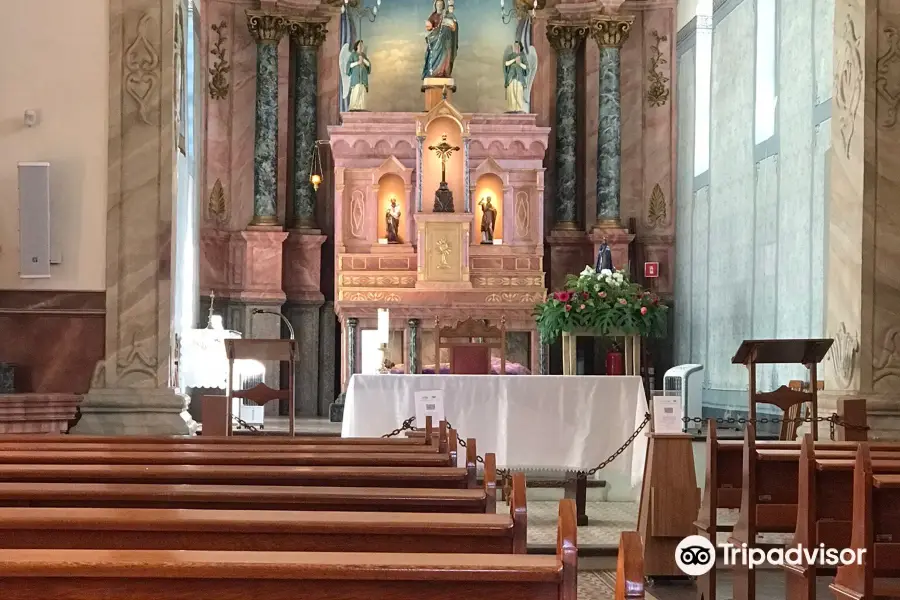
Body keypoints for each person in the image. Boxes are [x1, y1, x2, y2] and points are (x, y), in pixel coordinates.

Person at [422, 0, 458, 79]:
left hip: (445, 39)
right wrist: (429, 25)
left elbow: (453, 26)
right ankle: (435, 71)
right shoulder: (433, 15)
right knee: (434, 53)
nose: (439, 6)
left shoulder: (446, 15)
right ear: (435, 6)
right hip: (435, 39)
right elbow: (429, 28)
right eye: (438, 4)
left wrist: (449, 23)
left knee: (446, 53)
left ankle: (443, 71)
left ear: (443, 6)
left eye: (441, 4)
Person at [345, 40, 371, 111]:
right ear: (356, 46)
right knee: (356, 91)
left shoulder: (363, 55)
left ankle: (362, 107)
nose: (361, 46)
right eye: (360, 45)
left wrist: (363, 60)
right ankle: (354, 107)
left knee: (362, 93)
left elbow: (368, 65)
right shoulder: (353, 55)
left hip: (363, 78)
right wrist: (358, 62)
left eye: (362, 45)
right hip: (356, 78)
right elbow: (349, 65)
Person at [503, 41, 528, 113]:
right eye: (515, 46)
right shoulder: (510, 56)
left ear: (520, 47)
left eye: (517, 46)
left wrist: (519, 63)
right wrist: (514, 60)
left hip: (519, 79)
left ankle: (518, 108)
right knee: (511, 93)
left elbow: (526, 67)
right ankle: (511, 108)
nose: (516, 47)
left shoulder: (522, 56)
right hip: (511, 78)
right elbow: (506, 64)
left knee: (518, 93)